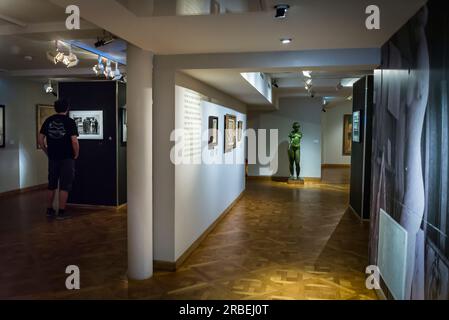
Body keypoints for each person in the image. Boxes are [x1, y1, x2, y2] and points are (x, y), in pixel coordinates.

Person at [38, 99, 79, 220]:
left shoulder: (48, 120)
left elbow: (40, 140)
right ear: (67, 108)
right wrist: (76, 154)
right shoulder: (70, 122)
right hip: (67, 158)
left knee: (51, 184)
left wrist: (47, 152)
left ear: (55, 108)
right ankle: (61, 212)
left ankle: (49, 209)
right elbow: (74, 141)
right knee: (65, 185)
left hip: (53, 158)